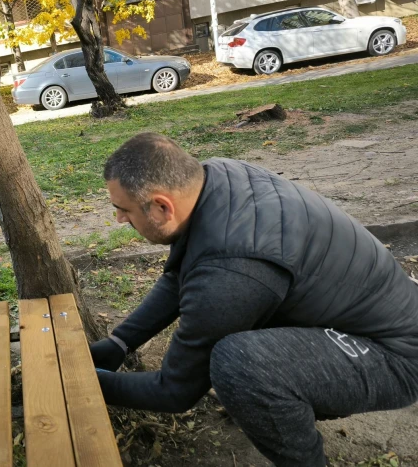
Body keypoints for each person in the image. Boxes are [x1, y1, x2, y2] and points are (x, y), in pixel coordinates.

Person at [89, 132, 418, 467]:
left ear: (162, 206)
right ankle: (284, 398)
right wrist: (120, 342)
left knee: (241, 365)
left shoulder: (231, 272)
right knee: (243, 355)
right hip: (377, 315)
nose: (119, 219)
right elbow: (179, 275)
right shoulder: (218, 177)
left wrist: (87, 382)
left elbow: (174, 391)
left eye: (122, 209)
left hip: (396, 357)